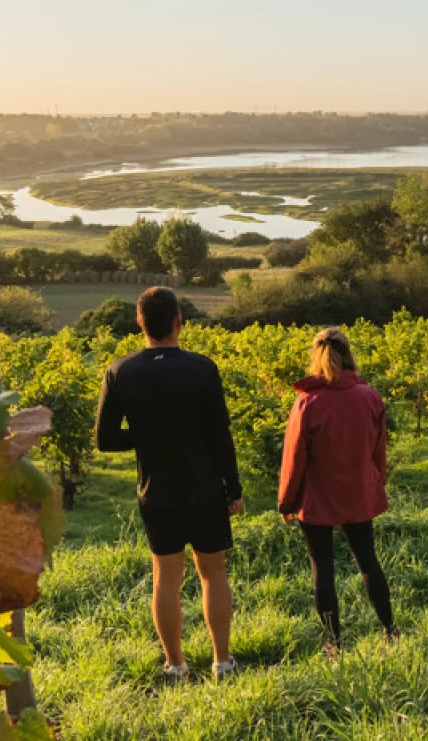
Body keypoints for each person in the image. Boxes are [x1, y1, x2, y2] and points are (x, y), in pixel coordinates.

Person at [95, 286, 244, 681]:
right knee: (213, 574)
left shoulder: (119, 370)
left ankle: (175, 664)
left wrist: (146, 435)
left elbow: (105, 440)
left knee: (166, 579)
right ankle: (222, 662)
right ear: (180, 322)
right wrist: (234, 488)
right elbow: (219, 435)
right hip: (205, 488)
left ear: (140, 323)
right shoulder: (202, 368)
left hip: (156, 491)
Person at [276, 327, 397, 656]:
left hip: (318, 498)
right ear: (348, 354)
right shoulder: (369, 396)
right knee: (368, 560)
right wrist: (376, 484)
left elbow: (294, 456)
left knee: (323, 566)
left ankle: (334, 641)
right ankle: (390, 628)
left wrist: (287, 501)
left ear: (315, 355)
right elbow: (378, 449)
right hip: (358, 492)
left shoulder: (308, 401)